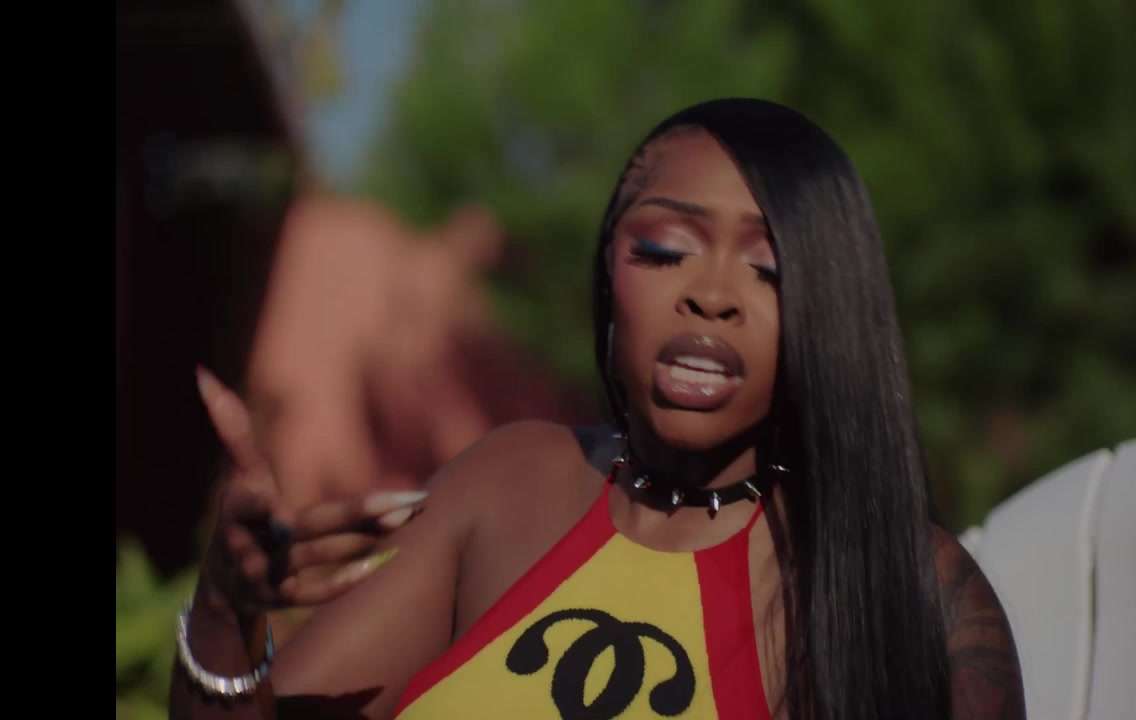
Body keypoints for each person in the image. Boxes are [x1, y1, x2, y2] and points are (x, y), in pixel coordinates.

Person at [171, 98, 1025, 720]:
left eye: (768, 269)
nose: (711, 295)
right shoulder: (507, 485)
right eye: (664, 249)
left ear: (832, 311)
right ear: (608, 272)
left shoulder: (918, 593)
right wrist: (224, 611)